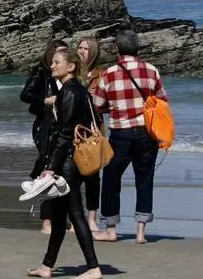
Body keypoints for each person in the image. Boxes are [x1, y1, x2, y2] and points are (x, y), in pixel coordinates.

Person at [27, 46, 102, 279]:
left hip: (68, 161)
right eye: (52, 62)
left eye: (57, 62)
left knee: (75, 214)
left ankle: (93, 268)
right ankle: (47, 266)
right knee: (59, 217)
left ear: (71, 67)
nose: (52, 65)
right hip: (72, 159)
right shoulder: (77, 90)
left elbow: (64, 133)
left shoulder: (70, 92)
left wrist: (51, 167)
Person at [92, 29, 168, 245]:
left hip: (121, 133)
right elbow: (162, 100)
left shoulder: (108, 74)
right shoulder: (151, 70)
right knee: (144, 180)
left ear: (117, 48)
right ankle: (140, 232)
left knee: (111, 179)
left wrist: (113, 107)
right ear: (137, 48)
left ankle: (111, 229)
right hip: (146, 133)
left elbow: (97, 106)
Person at [21, 39, 68, 234]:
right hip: (45, 126)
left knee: (61, 173)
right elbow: (26, 95)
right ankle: (47, 222)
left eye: (63, 55)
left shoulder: (64, 76)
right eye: (57, 55)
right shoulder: (42, 71)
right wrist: (45, 101)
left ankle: (61, 220)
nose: (58, 60)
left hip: (59, 126)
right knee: (48, 169)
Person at [76, 36, 104, 233]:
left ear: (93, 52)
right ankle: (75, 219)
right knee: (71, 175)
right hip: (73, 129)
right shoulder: (71, 72)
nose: (81, 51)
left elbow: (107, 105)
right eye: (79, 47)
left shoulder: (100, 75)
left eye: (85, 48)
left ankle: (92, 218)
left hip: (93, 131)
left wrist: (96, 99)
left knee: (93, 177)